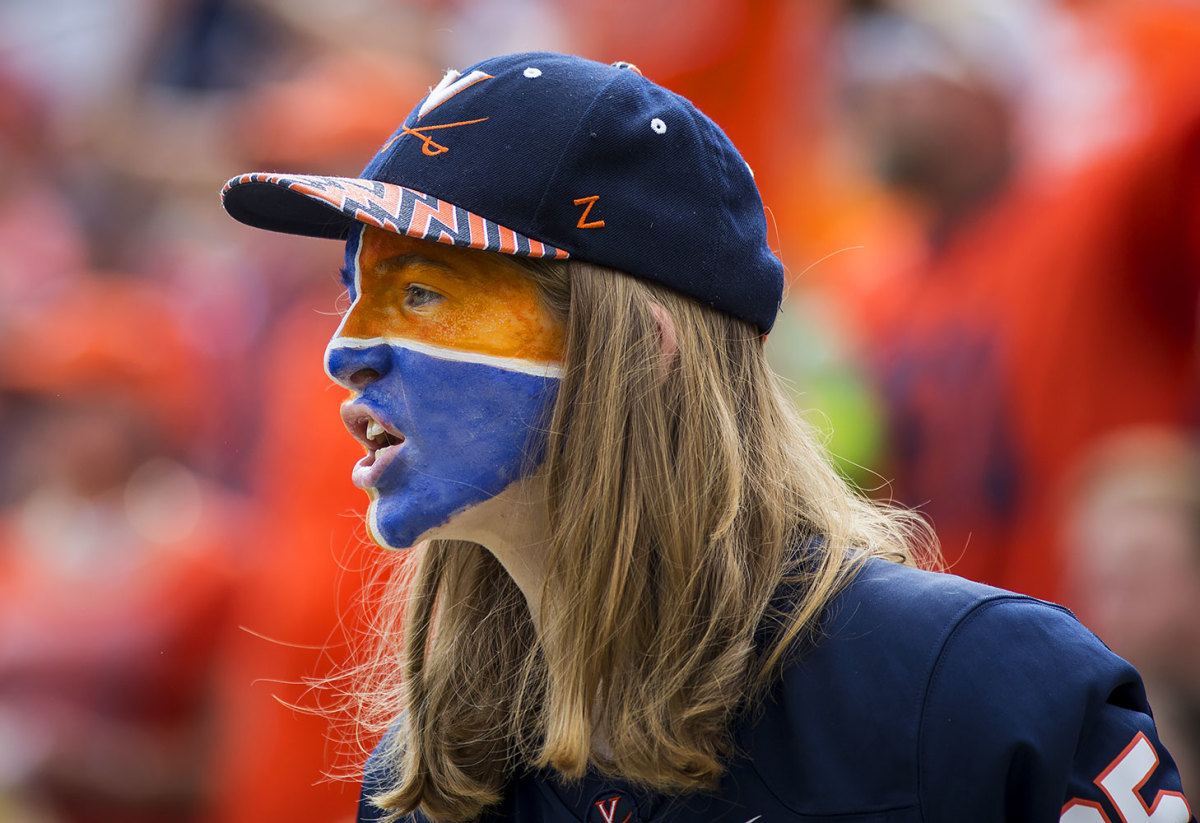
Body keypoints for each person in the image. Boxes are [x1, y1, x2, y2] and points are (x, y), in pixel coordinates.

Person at [220, 52, 1194, 823]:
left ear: (643, 349)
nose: (345, 353)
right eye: (352, 297)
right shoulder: (429, 779)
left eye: (421, 294)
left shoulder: (988, 691)